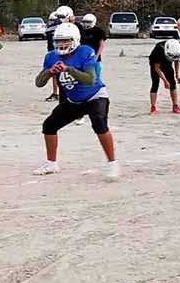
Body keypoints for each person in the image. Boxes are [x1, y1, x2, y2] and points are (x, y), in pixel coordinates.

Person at [33, 23, 119, 180]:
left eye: (65, 41)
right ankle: (51, 163)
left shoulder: (85, 52)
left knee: (99, 124)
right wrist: (49, 72)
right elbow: (39, 83)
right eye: (59, 41)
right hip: (73, 100)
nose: (62, 44)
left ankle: (112, 163)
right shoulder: (51, 56)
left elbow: (90, 79)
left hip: (95, 96)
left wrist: (68, 69)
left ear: (75, 40)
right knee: (49, 126)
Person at [149, 39, 180, 115]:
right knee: (155, 84)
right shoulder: (158, 50)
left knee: (172, 84)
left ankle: (175, 105)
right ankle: (153, 106)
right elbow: (157, 67)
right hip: (156, 64)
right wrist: (165, 81)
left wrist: (177, 74)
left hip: (167, 64)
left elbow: (176, 60)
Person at [43, 11, 61, 102]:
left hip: (55, 52)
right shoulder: (60, 27)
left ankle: (56, 93)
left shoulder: (52, 28)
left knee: (56, 74)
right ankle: (56, 93)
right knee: (56, 74)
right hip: (53, 52)